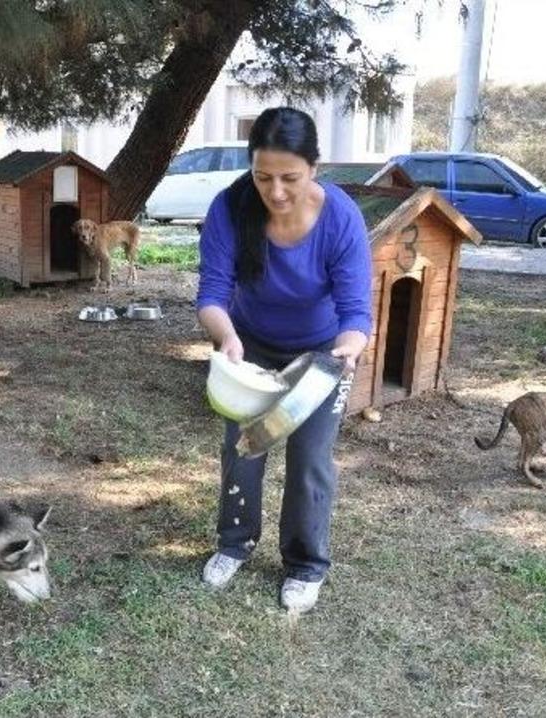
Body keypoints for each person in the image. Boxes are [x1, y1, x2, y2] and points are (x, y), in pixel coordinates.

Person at [196, 107, 372, 613]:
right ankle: (234, 543)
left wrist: (348, 348)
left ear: (314, 168)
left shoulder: (339, 216)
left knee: (310, 461)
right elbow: (212, 292)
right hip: (249, 345)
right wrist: (227, 338)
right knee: (244, 447)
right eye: (263, 176)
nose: (275, 191)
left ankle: (305, 564)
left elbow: (356, 309)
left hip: (321, 355)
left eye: (289, 178)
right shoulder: (230, 207)